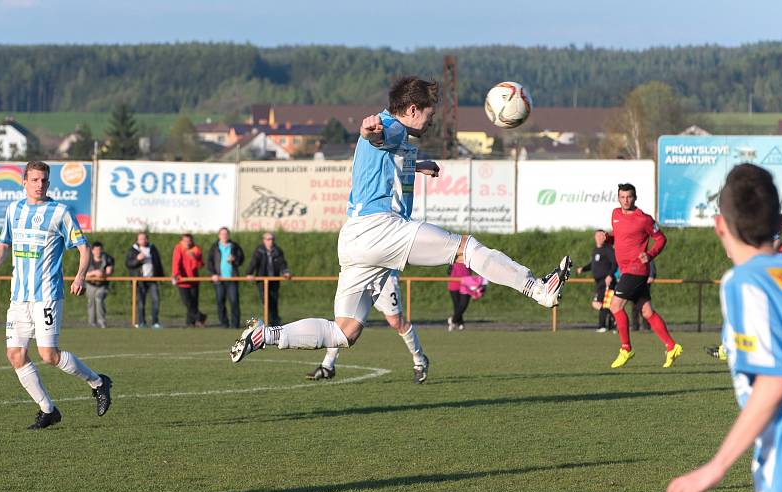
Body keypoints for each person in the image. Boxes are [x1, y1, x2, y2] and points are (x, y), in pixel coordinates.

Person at [230, 76, 571, 366]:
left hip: (353, 238)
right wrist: (369, 131)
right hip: (381, 229)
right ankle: (538, 289)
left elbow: (387, 151)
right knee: (466, 249)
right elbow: (378, 136)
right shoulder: (390, 126)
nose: (431, 120)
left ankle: (267, 335)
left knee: (344, 331)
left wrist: (419, 163)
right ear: (411, 110)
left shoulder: (398, 137)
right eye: (429, 113)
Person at [666, 164, 782, 492]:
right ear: (780, 222)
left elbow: (775, 382)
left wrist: (715, 467)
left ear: (719, 225)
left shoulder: (745, 282)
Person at [0, 160, 111, 429]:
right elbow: (3, 245)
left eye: (44, 180)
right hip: (19, 297)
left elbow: (83, 248)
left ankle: (98, 382)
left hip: (47, 294)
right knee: (15, 354)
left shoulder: (60, 211)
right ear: (24, 182)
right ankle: (48, 410)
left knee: (49, 355)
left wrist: (80, 275)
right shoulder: (14, 210)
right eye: (34, 180)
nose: (40, 185)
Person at [307, 271, 431, 384]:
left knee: (396, 322)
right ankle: (327, 366)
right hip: (360, 274)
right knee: (343, 322)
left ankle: (420, 360)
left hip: (384, 276)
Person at [608, 183, 682, 369]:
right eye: (622, 197)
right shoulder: (615, 214)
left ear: (635, 197)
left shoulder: (644, 219)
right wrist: (607, 239)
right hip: (626, 270)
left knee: (615, 305)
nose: (626, 200)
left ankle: (626, 348)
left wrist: (649, 255)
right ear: (618, 198)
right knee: (647, 311)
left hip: (637, 269)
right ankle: (671, 346)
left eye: (629, 197)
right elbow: (619, 238)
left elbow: (661, 239)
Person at [576, 229, 617, 333]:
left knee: (599, 303)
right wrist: (583, 269)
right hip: (599, 282)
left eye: (601, 236)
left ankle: (603, 326)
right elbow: (593, 264)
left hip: (606, 281)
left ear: (604, 237)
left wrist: (610, 275)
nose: (599, 238)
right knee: (604, 304)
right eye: (597, 236)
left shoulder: (608, 250)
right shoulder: (595, 250)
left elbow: (615, 263)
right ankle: (612, 324)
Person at [246, 232, 290, 326]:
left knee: (274, 300)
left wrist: (285, 272)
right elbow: (254, 262)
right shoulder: (259, 250)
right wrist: (249, 273)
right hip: (262, 280)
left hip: (274, 280)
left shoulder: (277, 250)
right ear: (264, 240)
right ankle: (271, 320)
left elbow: (282, 263)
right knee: (265, 300)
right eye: (268, 239)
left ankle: (274, 321)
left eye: (272, 239)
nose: (271, 241)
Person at [125, 231, 165, 328]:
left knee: (156, 300)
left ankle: (155, 322)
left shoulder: (153, 248)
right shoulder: (133, 250)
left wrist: (161, 276)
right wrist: (137, 259)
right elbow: (128, 264)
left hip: (152, 279)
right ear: (137, 240)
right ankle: (142, 322)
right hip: (139, 280)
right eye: (140, 239)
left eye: (144, 238)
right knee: (141, 302)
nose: (143, 240)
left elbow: (158, 263)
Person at [207, 227, 245, 328]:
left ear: (228, 235)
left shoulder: (234, 246)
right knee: (220, 302)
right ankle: (224, 323)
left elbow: (241, 259)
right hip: (219, 280)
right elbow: (209, 262)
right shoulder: (214, 247)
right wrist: (213, 274)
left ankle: (235, 324)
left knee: (234, 301)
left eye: (226, 234)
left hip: (232, 279)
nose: (224, 236)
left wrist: (235, 259)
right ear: (219, 235)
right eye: (222, 234)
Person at [172, 233, 207, 327]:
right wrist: (175, 274)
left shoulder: (196, 249)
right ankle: (201, 317)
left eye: (189, 240)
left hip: (194, 279)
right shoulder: (178, 248)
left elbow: (201, 265)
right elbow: (176, 262)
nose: (187, 242)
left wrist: (194, 258)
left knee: (194, 302)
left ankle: (190, 322)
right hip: (183, 280)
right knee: (187, 302)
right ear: (182, 241)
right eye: (185, 241)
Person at [84, 241, 114, 328]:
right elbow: (83, 273)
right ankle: (92, 323)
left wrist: (102, 274)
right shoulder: (87, 259)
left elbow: (109, 272)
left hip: (102, 284)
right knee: (91, 302)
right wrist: (94, 273)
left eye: (100, 250)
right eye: (96, 250)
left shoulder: (108, 258)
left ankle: (102, 322)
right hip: (90, 284)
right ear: (92, 250)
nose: (98, 252)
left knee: (99, 299)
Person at [630, 259, 655, 331]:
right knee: (634, 306)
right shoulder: (633, 254)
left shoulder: (645, 255)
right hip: (634, 282)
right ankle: (635, 325)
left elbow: (651, 266)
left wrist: (651, 275)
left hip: (643, 282)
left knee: (645, 305)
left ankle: (646, 326)